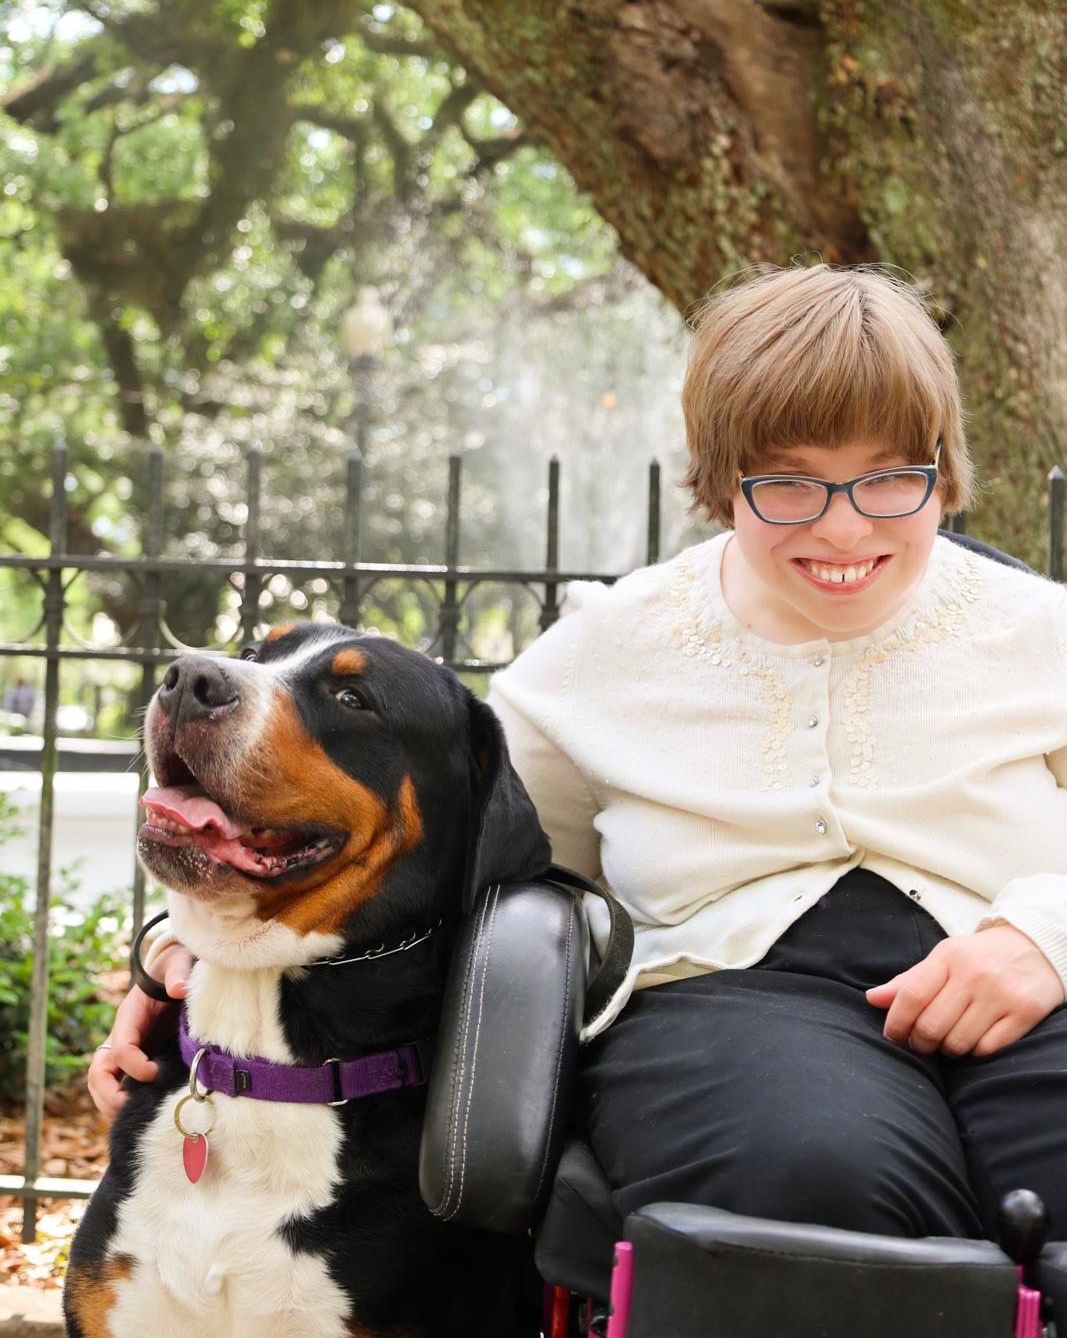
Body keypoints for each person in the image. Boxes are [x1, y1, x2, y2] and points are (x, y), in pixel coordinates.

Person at [91, 264, 1067, 1267]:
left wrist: (1041, 932)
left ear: (939, 471)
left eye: (886, 478)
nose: (843, 525)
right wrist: (179, 948)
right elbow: (435, 832)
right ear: (720, 480)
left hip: (1036, 985)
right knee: (807, 1178)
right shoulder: (608, 646)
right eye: (788, 482)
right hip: (734, 1001)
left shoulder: (1037, 631)